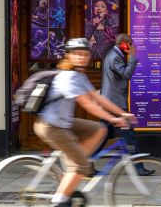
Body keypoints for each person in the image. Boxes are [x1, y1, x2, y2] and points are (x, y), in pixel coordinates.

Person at [34, 37, 132, 205]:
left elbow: (98, 98)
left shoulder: (79, 75)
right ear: (69, 56)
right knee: (83, 164)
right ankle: (60, 199)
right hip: (51, 126)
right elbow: (87, 104)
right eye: (77, 54)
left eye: (85, 54)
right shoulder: (69, 77)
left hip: (64, 122)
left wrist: (121, 113)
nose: (81, 57)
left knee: (99, 129)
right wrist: (113, 119)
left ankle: (74, 165)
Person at [100, 33, 152, 176]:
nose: (131, 46)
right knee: (129, 136)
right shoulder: (114, 57)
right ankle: (138, 168)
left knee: (101, 135)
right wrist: (133, 57)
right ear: (123, 44)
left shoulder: (113, 55)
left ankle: (85, 163)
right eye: (130, 44)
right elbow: (126, 74)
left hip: (111, 101)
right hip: (115, 103)